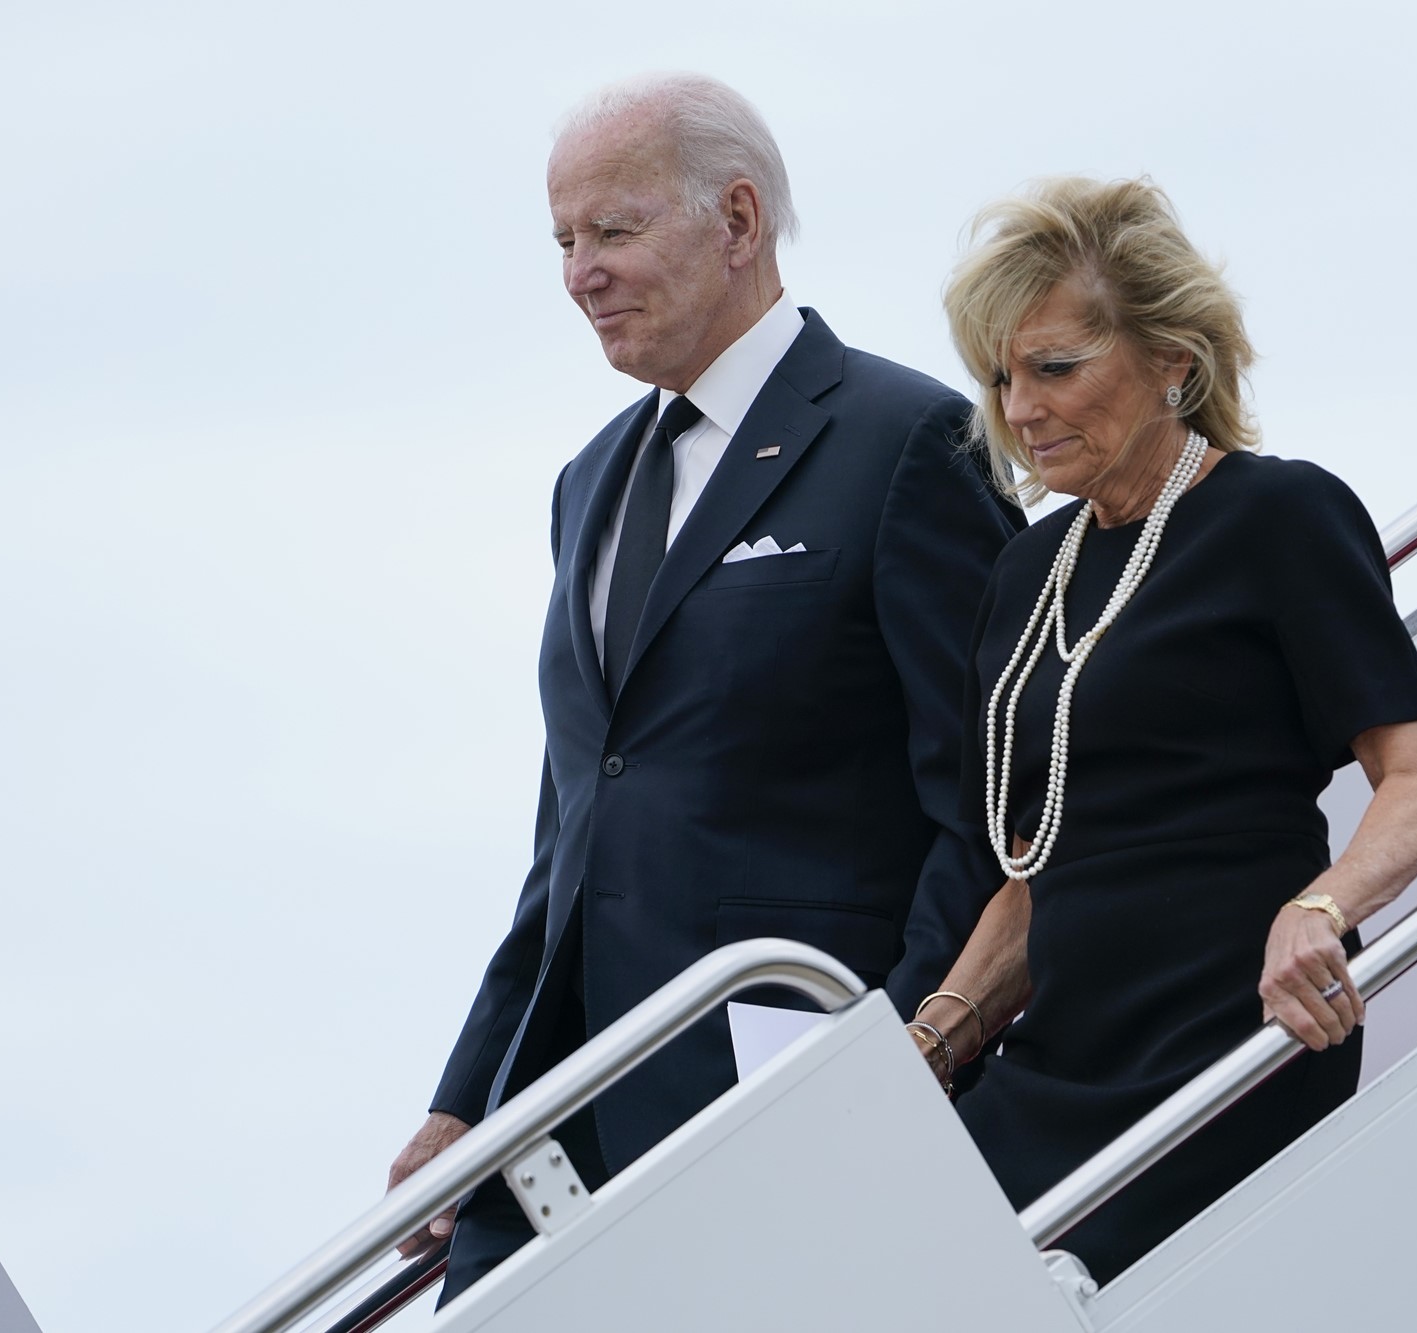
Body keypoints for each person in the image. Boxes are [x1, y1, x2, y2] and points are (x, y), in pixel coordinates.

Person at [385, 73, 1021, 1302]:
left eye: (613, 231)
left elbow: (986, 805)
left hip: (791, 1103)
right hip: (562, 1120)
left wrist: (897, 1052)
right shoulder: (587, 484)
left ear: (737, 222)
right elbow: (572, 831)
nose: (580, 272)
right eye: (564, 241)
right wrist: (466, 1095)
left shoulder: (905, 441)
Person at [910, 176, 1417, 1283]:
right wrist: (930, 1037)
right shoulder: (1024, 572)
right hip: (1055, 1056)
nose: (1019, 411)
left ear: (1172, 358)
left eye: (1055, 368)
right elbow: (1036, 871)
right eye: (1000, 376)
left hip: (1231, 1035)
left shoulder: (1277, 515)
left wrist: (1321, 910)